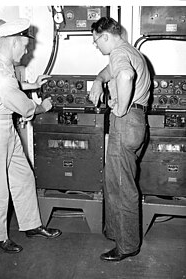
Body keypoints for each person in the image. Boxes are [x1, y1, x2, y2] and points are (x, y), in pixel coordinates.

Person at [0, 18, 61, 254]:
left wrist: (31, 84)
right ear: (12, 43)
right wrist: (44, 106)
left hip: (4, 127)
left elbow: (13, 86)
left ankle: (31, 225)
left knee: (23, 176)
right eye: (24, 46)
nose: (26, 51)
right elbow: (26, 108)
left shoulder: (0, 61)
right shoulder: (2, 75)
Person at [89, 17, 151, 262]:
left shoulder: (117, 53)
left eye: (96, 41)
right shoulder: (130, 50)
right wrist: (98, 79)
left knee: (123, 186)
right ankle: (117, 232)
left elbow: (124, 76)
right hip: (136, 123)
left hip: (126, 121)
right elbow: (111, 72)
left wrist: (120, 110)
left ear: (105, 36)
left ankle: (127, 246)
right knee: (114, 180)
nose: (96, 46)